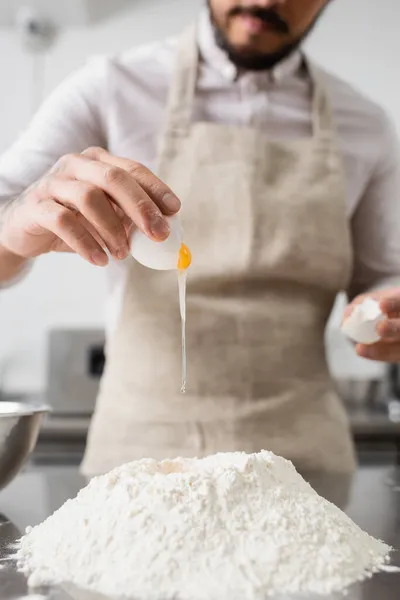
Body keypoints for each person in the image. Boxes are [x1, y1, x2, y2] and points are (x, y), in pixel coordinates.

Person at [0, 0, 399, 476]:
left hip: (304, 465)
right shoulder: (111, 87)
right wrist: (15, 228)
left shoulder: (367, 125)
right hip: (141, 460)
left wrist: (385, 315)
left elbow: (381, 280)